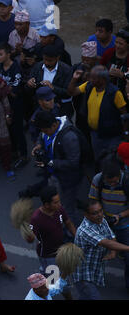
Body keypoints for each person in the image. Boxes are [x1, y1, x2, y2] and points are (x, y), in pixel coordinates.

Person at [32, 111, 84, 227]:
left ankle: (73, 235)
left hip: (67, 180)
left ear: (54, 125)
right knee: (57, 205)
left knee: (68, 208)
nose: (44, 132)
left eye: (46, 130)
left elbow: (73, 163)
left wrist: (50, 162)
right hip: (53, 175)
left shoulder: (69, 137)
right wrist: (39, 145)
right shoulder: (48, 128)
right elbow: (41, 136)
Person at [67, 65, 128, 160]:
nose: (90, 79)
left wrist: (125, 134)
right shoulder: (89, 86)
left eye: (93, 78)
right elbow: (72, 92)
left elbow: (124, 114)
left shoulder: (114, 93)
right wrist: (74, 79)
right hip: (95, 134)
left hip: (111, 136)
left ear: (102, 79)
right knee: (98, 159)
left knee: (110, 161)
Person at [73, 200, 129, 298]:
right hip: (83, 273)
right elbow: (106, 242)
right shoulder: (84, 230)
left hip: (94, 269)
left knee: (86, 296)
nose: (99, 215)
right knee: (94, 297)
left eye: (100, 211)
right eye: (95, 213)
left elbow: (111, 236)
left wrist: (113, 252)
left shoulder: (101, 220)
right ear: (86, 215)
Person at [88, 158, 129, 292]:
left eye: (115, 181)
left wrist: (120, 216)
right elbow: (93, 201)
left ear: (120, 174)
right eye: (109, 182)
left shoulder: (126, 182)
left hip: (125, 226)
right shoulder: (98, 180)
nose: (112, 184)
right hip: (104, 224)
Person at [27, 186, 76, 274]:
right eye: (56, 202)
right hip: (48, 255)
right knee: (53, 280)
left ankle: (45, 271)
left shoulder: (59, 209)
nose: (59, 204)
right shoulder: (36, 218)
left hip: (60, 249)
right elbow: (30, 239)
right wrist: (29, 235)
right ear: (46, 205)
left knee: (61, 270)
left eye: (59, 201)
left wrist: (76, 236)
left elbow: (68, 222)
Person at [0, 42, 28, 169]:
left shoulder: (16, 69)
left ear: (8, 54)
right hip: (2, 104)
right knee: (7, 130)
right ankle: (13, 152)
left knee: (17, 129)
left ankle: (24, 155)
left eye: (0, 54)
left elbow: (15, 92)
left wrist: (2, 84)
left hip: (16, 105)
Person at [27, 44, 73, 118]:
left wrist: (53, 87)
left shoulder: (66, 70)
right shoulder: (37, 67)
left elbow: (68, 93)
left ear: (58, 58)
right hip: (40, 108)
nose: (47, 63)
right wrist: (29, 84)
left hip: (60, 109)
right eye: (45, 59)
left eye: (50, 60)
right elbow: (29, 90)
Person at [101, 28, 129, 98]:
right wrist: (106, 72)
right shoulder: (109, 53)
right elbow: (99, 68)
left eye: (121, 44)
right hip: (108, 91)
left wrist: (123, 75)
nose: (117, 46)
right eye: (116, 42)